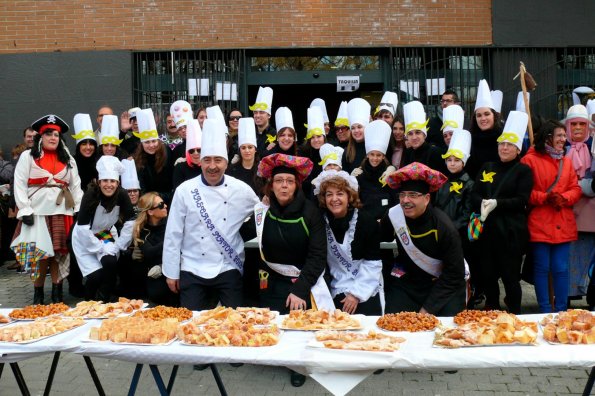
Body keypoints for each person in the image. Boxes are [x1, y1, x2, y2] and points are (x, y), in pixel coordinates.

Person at [163, 118, 260, 310]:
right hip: (192, 265)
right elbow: (173, 233)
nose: (212, 166)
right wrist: (171, 272)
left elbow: (261, 214)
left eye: (218, 160)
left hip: (228, 264)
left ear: (226, 162)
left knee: (233, 322)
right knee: (189, 322)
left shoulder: (241, 189)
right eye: (207, 160)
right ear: (200, 163)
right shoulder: (185, 190)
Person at [255, 153, 331, 388]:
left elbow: (318, 257)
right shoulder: (263, 211)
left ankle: (298, 365)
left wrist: (300, 289)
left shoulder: (311, 213)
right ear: (271, 185)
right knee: (271, 320)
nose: (284, 185)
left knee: (298, 324)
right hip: (272, 278)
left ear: (297, 185)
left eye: (289, 181)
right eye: (279, 181)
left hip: (302, 280)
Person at [11, 115, 83, 304]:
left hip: (62, 212)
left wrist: (78, 209)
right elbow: (19, 183)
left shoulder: (68, 158)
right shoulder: (28, 156)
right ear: (40, 136)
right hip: (36, 213)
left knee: (59, 253)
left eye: (56, 135)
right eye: (48, 134)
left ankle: (57, 293)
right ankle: (38, 294)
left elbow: (76, 185)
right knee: (38, 255)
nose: (53, 138)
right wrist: (24, 209)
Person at [380, 162, 467, 315]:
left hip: (443, 284)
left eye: (413, 195)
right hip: (408, 283)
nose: (405, 200)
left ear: (427, 199)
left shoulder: (444, 227)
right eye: (402, 195)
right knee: (393, 324)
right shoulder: (393, 216)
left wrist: (428, 309)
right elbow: (378, 244)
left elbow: (454, 275)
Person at [470, 111, 533, 314]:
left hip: (510, 234)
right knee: (488, 275)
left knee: (510, 278)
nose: (504, 148)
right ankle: (492, 310)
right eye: (501, 144)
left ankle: (514, 312)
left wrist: (497, 203)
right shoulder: (487, 166)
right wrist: (482, 203)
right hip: (487, 233)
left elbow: (522, 200)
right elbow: (474, 194)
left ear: (517, 149)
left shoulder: (523, 171)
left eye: (509, 145)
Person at [520, 119, 582, 313]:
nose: (564, 139)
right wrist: (546, 197)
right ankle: (545, 309)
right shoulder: (529, 160)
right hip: (540, 221)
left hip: (563, 221)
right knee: (542, 268)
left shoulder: (567, 161)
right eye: (560, 135)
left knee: (561, 269)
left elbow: (576, 188)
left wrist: (563, 198)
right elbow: (524, 192)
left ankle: (561, 310)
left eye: (564, 136)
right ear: (548, 137)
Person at [313, 170, 383, 315]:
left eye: (340, 193)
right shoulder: (319, 221)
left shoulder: (366, 221)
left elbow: (373, 263)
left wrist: (355, 294)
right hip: (335, 285)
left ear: (349, 196)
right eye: (329, 194)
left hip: (365, 285)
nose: (334, 199)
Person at [72, 156, 135, 301]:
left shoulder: (122, 195)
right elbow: (82, 228)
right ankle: (88, 303)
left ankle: (104, 300)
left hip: (104, 232)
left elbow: (130, 222)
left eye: (112, 181)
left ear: (117, 183)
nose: (109, 185)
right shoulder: (90, 195)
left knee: (110, 263)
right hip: (84, 236)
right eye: (105, 181)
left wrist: (118, 245)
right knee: (95, 276)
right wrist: (99, 248)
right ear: (99, 182)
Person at [434, 129, 478, 306]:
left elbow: (467, 212)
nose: (452, 164)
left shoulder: (469, 184)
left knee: (460, 268)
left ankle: (465, 299)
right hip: (440, 232)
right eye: (449, 160)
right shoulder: (441, 181)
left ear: (464, 162)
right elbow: (436, 205)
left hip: (458, 235)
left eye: (456, 160)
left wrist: (450, 227)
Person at [562, 104, 595, 301]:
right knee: (571, 259)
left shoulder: (593, 146)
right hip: (568, 212)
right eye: (573, 124)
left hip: (591, 215)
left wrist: (577, 185)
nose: (577, 128)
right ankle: (568, 295)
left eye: (582, 124)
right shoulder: (560, 147)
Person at [132, 192, 178, 306]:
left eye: (165, 203)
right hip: (154, 272)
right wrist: (173, 239)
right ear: (150, 211)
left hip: (175, 266)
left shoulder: (171, 223)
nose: (166, 206)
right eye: (161, 205)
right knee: (157, 294)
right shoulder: (142, 230)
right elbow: (149, 253)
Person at [352, 120, 396, 221]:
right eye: (372, 154)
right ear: (367, 155)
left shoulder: (389, 175)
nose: (375, 158)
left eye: (378, 155)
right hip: (365, 221)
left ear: (383, 156)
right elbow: (356, 201)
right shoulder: (360, 175)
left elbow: (394, 201)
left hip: (386, 221)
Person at [132, 108, 174, 203]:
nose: (151, 145)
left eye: (154, 141)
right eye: (147, 142)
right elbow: (141, 186)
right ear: (141, 144)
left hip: (168, 200)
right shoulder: (137, 159)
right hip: (147, 202)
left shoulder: (167, 152)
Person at [465, 80, 504, 180]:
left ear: (494, 116)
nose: (483, 119)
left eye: (487, 114)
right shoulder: (469, 140)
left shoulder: (504, 137)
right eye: (479, 115)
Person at [401, 101, 447, 175]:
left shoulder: (436, 153)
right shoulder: (408, 153)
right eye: (410, 134)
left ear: (424, 135)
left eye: (418, 132)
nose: (414, 137)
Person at [226, 117, 265, 196]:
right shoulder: (231, 170)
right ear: (239, 150)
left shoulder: (263, 169)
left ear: (255, 149)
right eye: (243, 148)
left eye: (250, 147)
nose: (247, 151)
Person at [299, 106, 326, 198]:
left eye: (319, 136)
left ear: (324, 137)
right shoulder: (302, 153)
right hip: (307, 195)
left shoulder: (330, 152)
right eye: (312, 137)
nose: (316, 140)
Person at [172, 119, 202, 192]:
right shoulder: (180, 168)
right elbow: (178, 192)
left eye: (199, 150)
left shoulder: (208, 167)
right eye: (191, 151)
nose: (195, 153)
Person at [342, 98, 370, 174]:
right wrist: (350, 176)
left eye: (359, 127)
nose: (356, 131)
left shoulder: (374, 148)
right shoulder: (347, 152)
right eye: (353, 128)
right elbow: (344, 176)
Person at [249, 86, 276, 157]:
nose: (257, 115)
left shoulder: (275, 134)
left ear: (269, 115)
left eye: (261, 112)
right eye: (255, 112)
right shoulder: (250, 132)